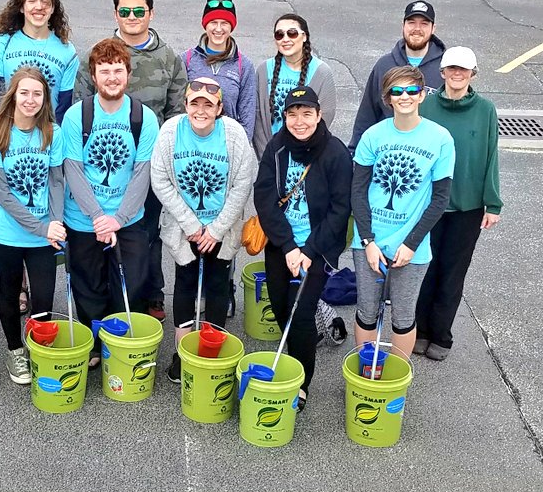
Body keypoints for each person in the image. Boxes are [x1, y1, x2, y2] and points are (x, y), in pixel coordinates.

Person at [74, 0, 188, 322]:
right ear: (116, 14)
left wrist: (165, 160)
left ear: (150, 13)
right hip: (105, 167)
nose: (132, 17)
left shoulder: (169, 58)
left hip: (149, 167)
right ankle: (105, 304)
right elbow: (82, 106)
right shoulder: (97, 56)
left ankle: (150, 294)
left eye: (139, 11)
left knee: (146, 234)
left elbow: (176, 112)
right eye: (125, 11)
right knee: (105, 236)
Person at [150, 77, 256, 382]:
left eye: (208, 105)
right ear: (185, 105)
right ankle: (182, 354)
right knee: (184, 282)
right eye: (194, 103)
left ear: (219, 108)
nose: (200, 110)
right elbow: (161, 181)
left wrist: (216, 230)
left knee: (217, 283)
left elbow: (241, 185)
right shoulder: (171, 132)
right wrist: (192, 225)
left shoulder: (234, 135)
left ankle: (212, 351)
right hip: (185, 228)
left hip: (220, 228)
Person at [253, 87, 351, 410]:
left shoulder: (335, 153)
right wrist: (288, 246)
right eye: (292, 114)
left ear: (319, 115)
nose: (299, 121)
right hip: (282, 243)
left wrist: (309, 250)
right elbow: (264, 197)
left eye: (307, 113)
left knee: (302, 312)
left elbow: (340, 210)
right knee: (281, 306)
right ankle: (296, 351)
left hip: (317, 247)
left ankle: (302, 381)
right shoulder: (277, 147)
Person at [63, 38, 159, 366]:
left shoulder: (143, 118)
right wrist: (96, 216)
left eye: (118, 70)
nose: (112, 77)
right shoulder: (77, 116)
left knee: (131, 282)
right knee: (87, 284)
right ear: (93, 75)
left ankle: (119, 340)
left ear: (128, 74)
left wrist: (117, 218)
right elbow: (73, 170)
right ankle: (93, 342)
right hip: (83, 218)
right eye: (105, 71)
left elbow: (142, 173)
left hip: (128, 218)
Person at [350, 65, 454, 360]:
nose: (404, 96)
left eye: (411, 90)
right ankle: (365, 370)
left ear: (422, 95)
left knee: (403, 316)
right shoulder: (373, 135)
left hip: (413, 247)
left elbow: (440, 198)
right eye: (397, 91)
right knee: (367, 311)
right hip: (370, 242)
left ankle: (397, 373)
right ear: (388, 98)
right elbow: (358, 190)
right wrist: (368, 241)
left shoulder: (441, 139)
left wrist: (411, 244)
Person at [0, 67, 65, 384]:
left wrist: (55, 220)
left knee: (43, 296)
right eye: (24, 92)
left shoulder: (52, 132)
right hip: (7, 233)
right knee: (11, 291)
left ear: (45, 99)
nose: (30, 99)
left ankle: (39, 347)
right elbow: (3, 195)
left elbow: (56, 181)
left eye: (37, 94)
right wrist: (42, 228)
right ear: (13, 95)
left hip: (45, 234)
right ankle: (15, 351)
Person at [416, 47, 502, 361]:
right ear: (441, 72)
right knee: (425, 268)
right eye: (451, 68)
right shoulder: (426, 107)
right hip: (429, 204)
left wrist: (493, 203)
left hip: (467, 207)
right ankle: (420, 330)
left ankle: (441, 335)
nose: (457, 74)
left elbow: (491, 156)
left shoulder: (485, 109)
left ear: (473, 74)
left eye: (463, 70)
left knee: (452, 272)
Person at [348, 0, 446, 151]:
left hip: (430, 156)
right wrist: (355, 153)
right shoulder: (384, 65)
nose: (417, 29)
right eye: (411, 22)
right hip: (387, 156)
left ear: (433, 28)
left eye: (424, 23)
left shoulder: (446, 68)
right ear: (403, 26)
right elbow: (367, 114)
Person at [0, 0, 78, 122]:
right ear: (22, 7)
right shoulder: (1, 43)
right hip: (9, 131)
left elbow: (65, 103)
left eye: (45, 2)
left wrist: (51, 133)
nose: (39, 7)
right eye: (32, 1)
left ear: (53, 8)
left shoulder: (67, 51)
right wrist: (16, 127)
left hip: (48, 134)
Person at [252, 14, 337, 159]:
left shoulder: (321, 72)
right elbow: (258, 116)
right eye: (279, 35)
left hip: (306, 155)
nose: (285, 39)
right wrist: (266, 155)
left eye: (292, 33)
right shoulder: (263, 69)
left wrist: (305, 151)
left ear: (304, 36)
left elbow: (325, 116)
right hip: (270, 155)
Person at [180, 0, 257, 140]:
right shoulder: (187, 59)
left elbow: (248, 113)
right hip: (191, 140)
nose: (219, 29)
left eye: (225, 23)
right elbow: (178, 106)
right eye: (213, 22)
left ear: (232, 26)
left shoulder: (243, 65)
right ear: (205, 25)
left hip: (226, 142)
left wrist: (241, 146)